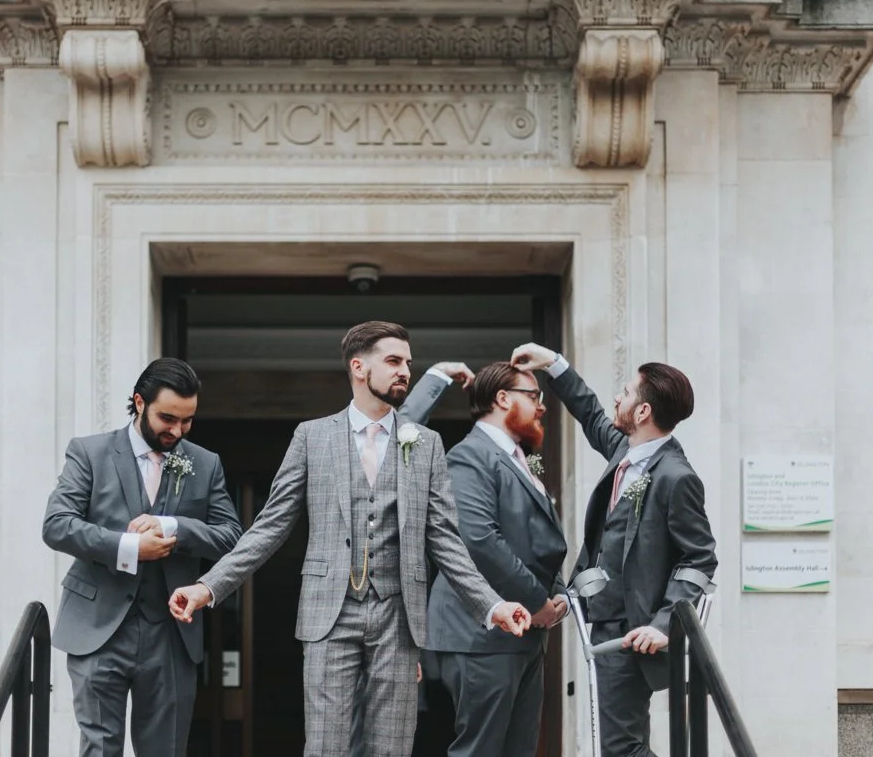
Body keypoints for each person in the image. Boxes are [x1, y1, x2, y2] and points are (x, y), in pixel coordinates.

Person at [170, 322, 531, 757]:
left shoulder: (427, 445)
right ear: (359, 367)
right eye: (393, 361)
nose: (405, 372)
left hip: (399, 618)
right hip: (329, 614)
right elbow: (269, 528)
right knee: (325, 748)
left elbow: (446, 541)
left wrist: (493, 605)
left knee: (391, 750)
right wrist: (208, 587)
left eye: (408, 363)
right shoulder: (312, 437)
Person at [510, 343, 717, 757]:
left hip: (631, 633)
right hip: (602, 625)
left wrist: (662, 625)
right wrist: (554, 364)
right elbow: (589, 414)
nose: (617, 399)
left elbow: (700, 559)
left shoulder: (677, 477)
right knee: (617, 746)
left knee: (621, 748)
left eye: (625, 392)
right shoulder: (626, 451)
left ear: (642, 412)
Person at [42, 358, 244, 757]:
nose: (177, 431)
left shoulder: (205, 463)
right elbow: (57, 525)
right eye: (168, 418)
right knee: (99, 749)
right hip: (97, 628)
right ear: (138, 402)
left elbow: (231, 537)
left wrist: (174, 527)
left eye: (187, 421)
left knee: (165, 750)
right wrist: (129, 548)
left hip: (170, 635)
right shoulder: (90, 452)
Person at [426, 361, 570, 757]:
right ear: (503, 398)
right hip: (480, 634)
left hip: (524, 635)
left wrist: (555, 597)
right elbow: (478, 539)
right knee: (481, 750)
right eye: (534, 396)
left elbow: (539, 541)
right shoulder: (470, 455)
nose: (542, 407)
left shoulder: (518, 458)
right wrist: (538, 602)